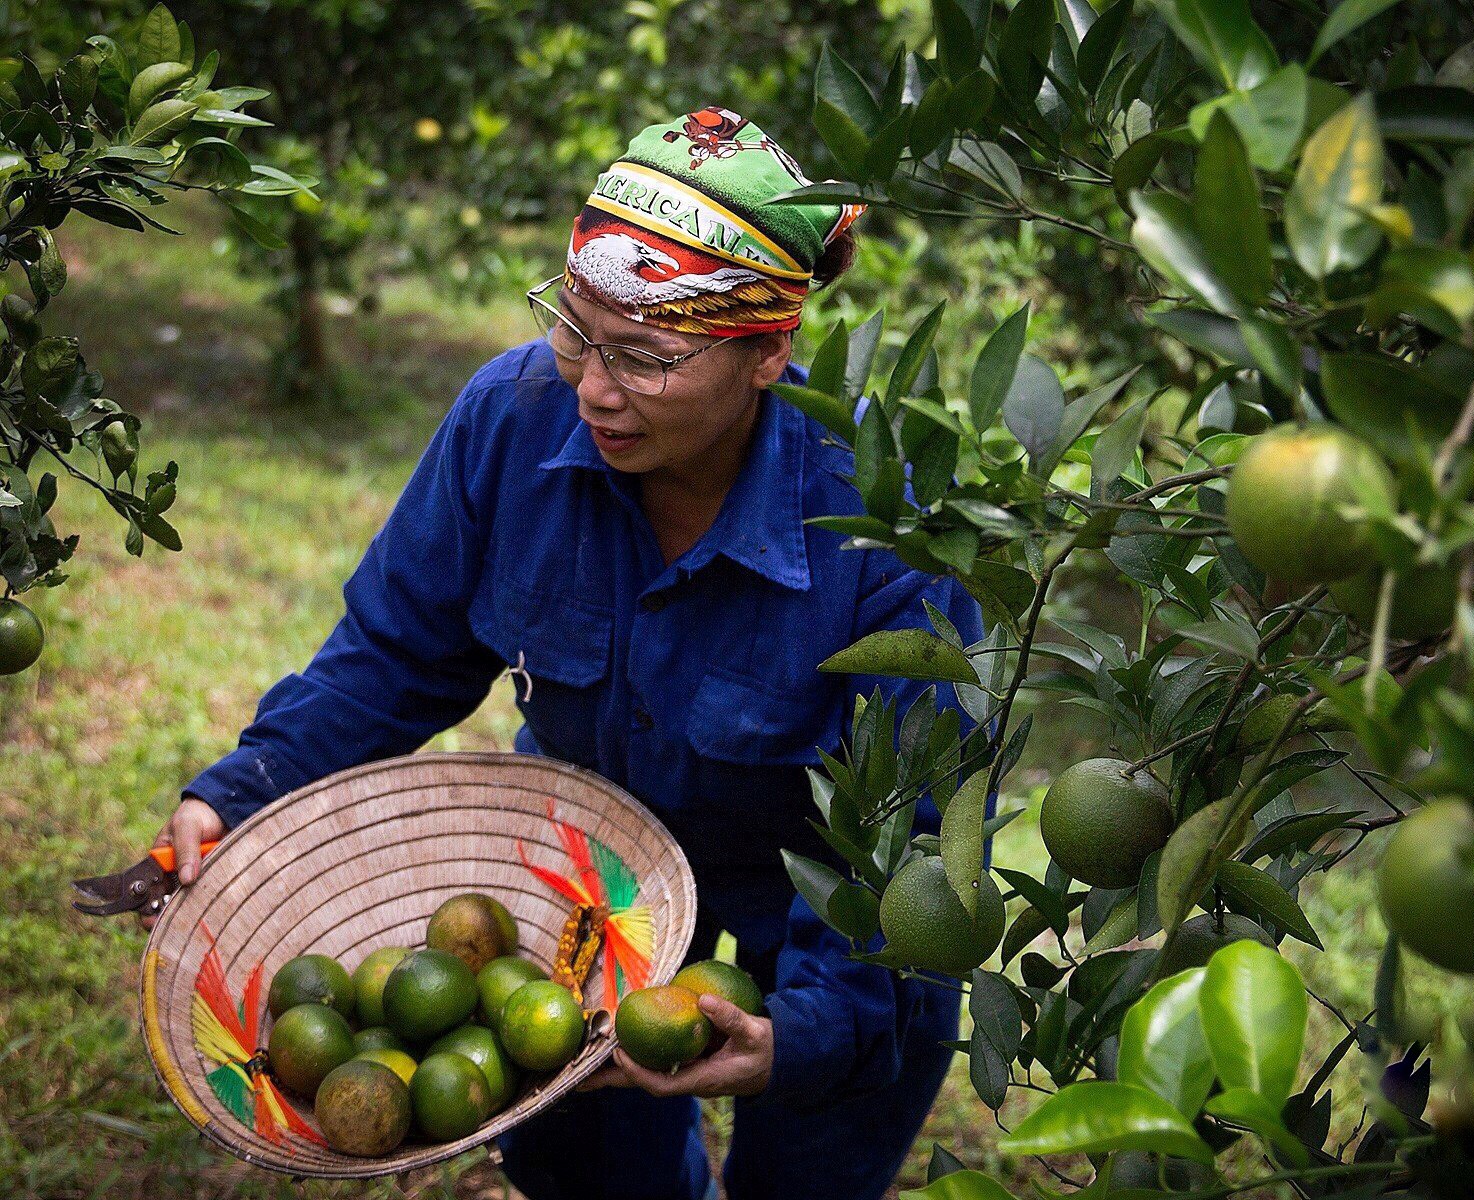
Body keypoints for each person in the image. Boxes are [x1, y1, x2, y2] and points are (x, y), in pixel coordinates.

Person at [148, 105, 986, 1200]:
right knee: (589, 1175)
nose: (593, 385)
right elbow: (395, 655)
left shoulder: (884, 526)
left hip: (833, 913)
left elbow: (913, 843)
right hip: (587, 906)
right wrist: (246, 788)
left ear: (770, 351)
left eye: (644, 355)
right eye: (577, 329)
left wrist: (804, 1036)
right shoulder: (514, 420)